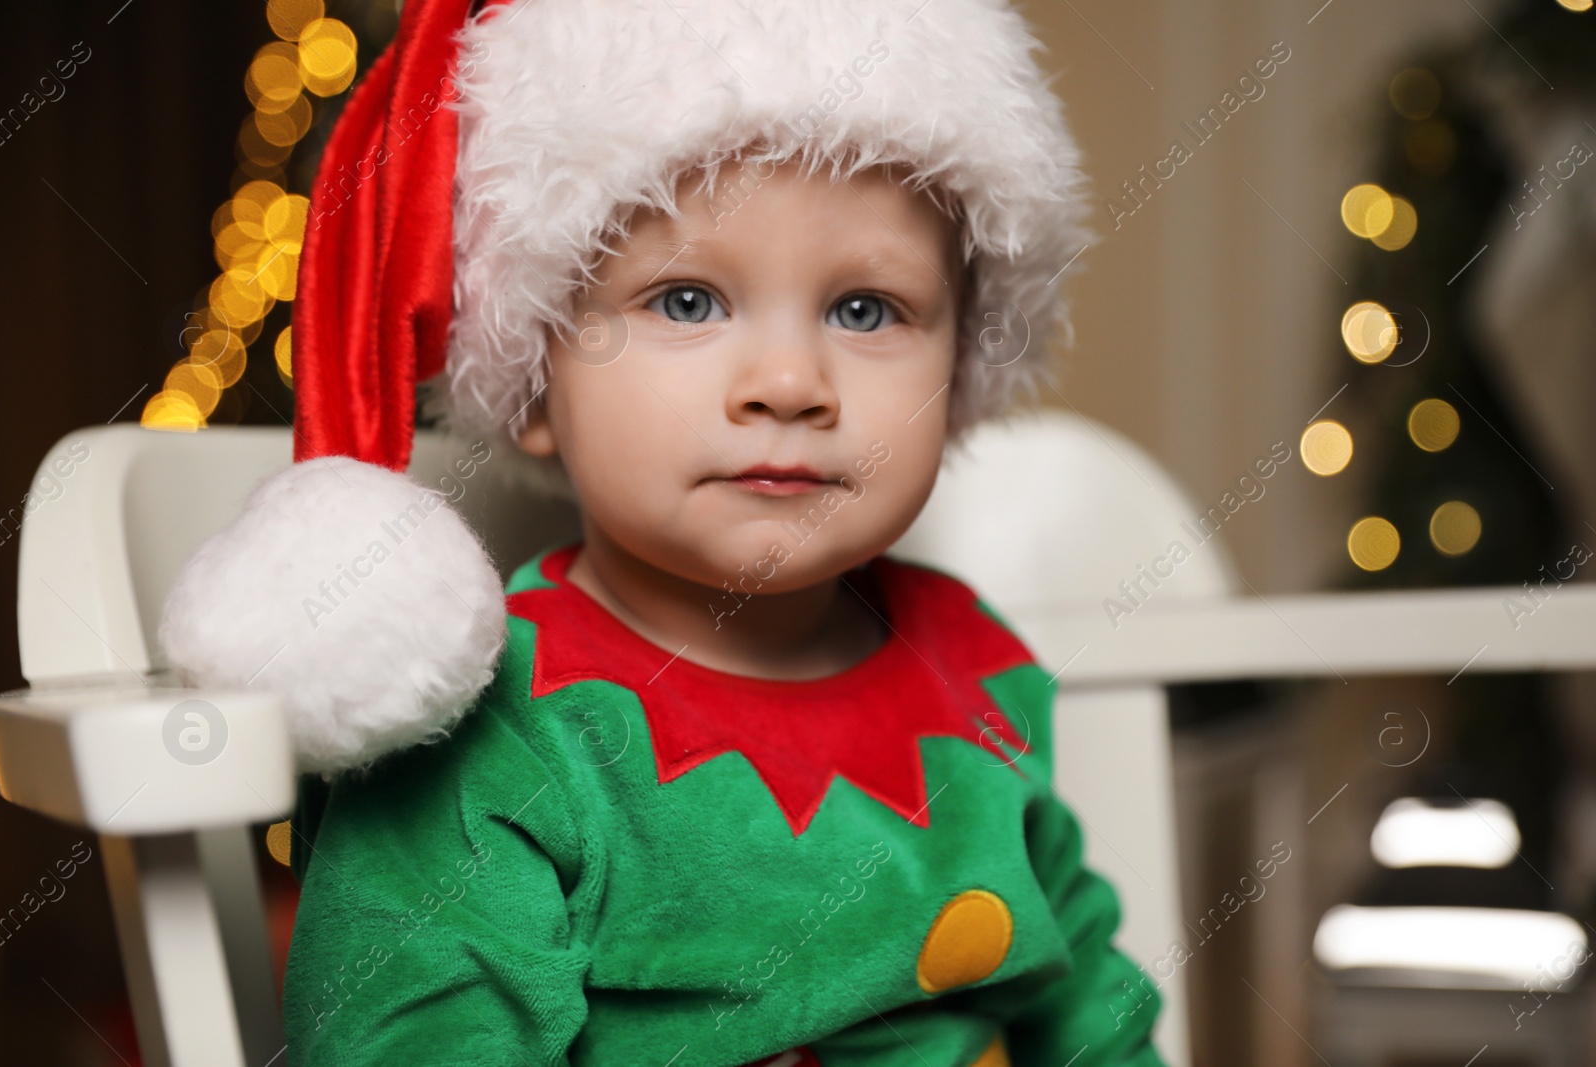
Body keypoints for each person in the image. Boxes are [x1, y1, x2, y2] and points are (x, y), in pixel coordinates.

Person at [160, 1, 1167, 1063]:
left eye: (867, 310)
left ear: (959, 372)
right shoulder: (494, 730)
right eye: (685, 300)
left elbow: (1088, 999)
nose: (787, 383)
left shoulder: (978, 664)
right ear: (534, 383)